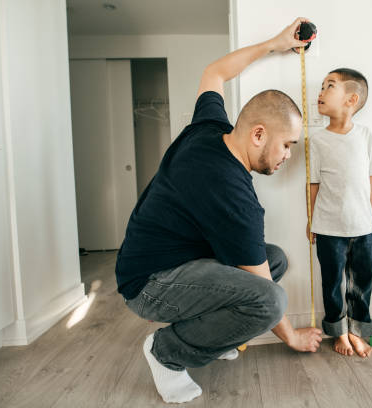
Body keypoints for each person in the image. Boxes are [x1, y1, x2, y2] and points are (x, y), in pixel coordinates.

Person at [115, 18, 322, 404]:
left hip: (158, 262)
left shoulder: (209, 127)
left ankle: (211, 337)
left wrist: (276, 43)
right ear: (258, 134)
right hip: (147, 283)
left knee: (273, 258)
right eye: (288, 144)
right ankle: (165, 352)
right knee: (270, 299)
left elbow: (215, 72)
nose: (288, 156)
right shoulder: (234, 197)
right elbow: (263, 290)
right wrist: (292, 337)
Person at [307, 68, 372, 358]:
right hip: (328, 227)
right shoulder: (317, 140)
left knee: (362, 281)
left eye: (329, 87)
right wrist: (311, 219)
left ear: (351, 99)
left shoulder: (366, 135)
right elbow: (313, 183)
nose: (320, 92)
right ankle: (339, 332)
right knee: (333, 283)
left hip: (363, 226)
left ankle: (357, 330)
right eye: (321, 86)